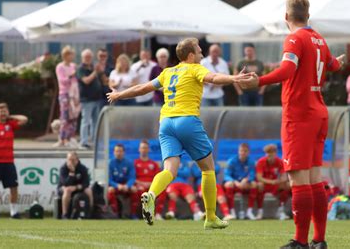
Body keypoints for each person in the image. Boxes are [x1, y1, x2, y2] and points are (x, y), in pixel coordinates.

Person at [107, 37, 249, 229]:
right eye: (199, 51)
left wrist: (118, 94)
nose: (202, 54)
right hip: (187, 120)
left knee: (169, 170)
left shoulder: (167, 72)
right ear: (191, 55)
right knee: (208, 168)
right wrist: (233, 78)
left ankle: (151, 194)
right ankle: (210, 217)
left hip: (165, 122)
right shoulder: (194, 68)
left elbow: (143, 88)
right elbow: (214, 78)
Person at [238, 0, 345, 248]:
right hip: (319, 112)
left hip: (300, 115)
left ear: (286, 17)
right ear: (307, 16)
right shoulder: (319, 38)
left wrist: (258, 81)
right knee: (314, 178)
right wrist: (339, 64)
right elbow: (330, 64)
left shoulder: (294, 38)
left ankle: (300, 242)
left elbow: (287, 71)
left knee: (298, 180)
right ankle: (319, 241)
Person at [77, 49, 107, 149]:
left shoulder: (93, 68)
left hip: (97, 99)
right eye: (86, 57)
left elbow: (104, 81)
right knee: (86, 121)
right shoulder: (81, 69)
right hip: (87, 100)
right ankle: (83, 142)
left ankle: (95, 141)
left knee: (95, 121)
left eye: (90, 57)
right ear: (82, 58)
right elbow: (86, 81)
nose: (88, 59)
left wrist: (101, 72)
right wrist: (95, 71)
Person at [223, 143, 258, 220]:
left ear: (248, 152)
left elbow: (252, 174)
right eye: (241, 151)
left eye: (245, 151)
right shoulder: (231, 161)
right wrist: (235, 181)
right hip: (235, 184)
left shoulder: (251, 162)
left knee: (254, 184)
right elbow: (226, 175)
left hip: (245, 185)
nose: (243, 153)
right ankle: (232, 212)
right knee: (228, 184)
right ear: (238, 151)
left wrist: (247, 180)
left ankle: (249, 211)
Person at [55, 46, 80, 148]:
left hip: (73, 94)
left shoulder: (73, 65)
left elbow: (76, 80)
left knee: (73, 116)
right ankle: (62, 138)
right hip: (64, 94)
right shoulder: (60, 67)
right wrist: (71, 75)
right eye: (70, 55)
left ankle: (70, 137)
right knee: (65, 117)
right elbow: (62, 80)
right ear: (65, 55)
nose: (72, 57)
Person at [133, 140, 166, 220]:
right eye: (142, 148)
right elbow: (132, 178)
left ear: (148, 150)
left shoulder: (154, 164)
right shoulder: (135, 163)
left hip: (151, 186)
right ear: (139, 149)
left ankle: (157, 214)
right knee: (137, 191)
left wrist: (150, 184)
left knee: (162, 191)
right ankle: (135, 215)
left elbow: (158, 178)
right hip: (139, 185)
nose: (144, 150)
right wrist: (141, 183)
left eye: (145, 148)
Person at [256, 144, 289, 220]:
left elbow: (284, 176)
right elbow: (259, 177)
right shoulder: (261, 162)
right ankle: (260, 211)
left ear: (275, 153)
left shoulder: (279, 161)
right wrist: (271, 182)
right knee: (258, 186)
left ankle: (280, 210)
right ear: (265, 153)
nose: (270, 155)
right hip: (265, 183)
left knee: (286, 185)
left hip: (275, 184)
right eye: (268, 153)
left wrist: (281, 180)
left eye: (272, 152)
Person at [58, 151, 93, 219]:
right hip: (65, 188)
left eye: (73, 160)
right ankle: (64, 214)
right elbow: (65, 183)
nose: (71, 162)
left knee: (89, 190)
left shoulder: (82, 168)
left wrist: (76, 187)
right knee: (67, 190)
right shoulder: (63, 168)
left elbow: (86, 183)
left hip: (77, 188)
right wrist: (72, 172)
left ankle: (90, 211)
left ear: (77, 159)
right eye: (69, 160)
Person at [107, 144, 137, 218]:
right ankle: (116, 214)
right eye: (117, 151)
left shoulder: (129, 162)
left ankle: (133, 214)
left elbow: (132, 177)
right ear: (114, 152)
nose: (118, 153)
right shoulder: (110, 163)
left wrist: (128, 185)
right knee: (110, 190)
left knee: (135, 190)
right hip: (115, 185)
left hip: (125, 185)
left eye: (120, 151)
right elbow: (108, 179)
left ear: (124, 152)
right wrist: (117, 185)